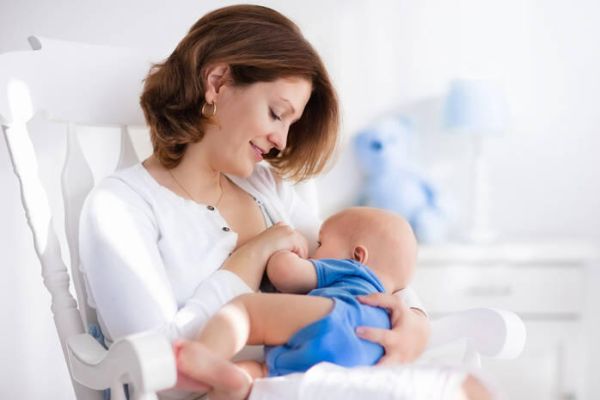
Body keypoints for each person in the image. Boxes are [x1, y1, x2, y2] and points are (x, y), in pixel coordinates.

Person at [78, 4, 436, 399]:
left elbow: (357, 266)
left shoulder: (267, 187)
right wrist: (251, 257)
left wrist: (415, 324)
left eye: (291, 124)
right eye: (276, 114)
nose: (281, 141)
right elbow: (160, 370)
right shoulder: (120, 207)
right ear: (217, 83)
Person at [174, 207, 418, 399]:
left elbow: (284, 272)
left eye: (320, 243)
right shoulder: (390, 310)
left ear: (357, 256)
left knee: (246, 311)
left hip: (342, 316)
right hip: (368, 357)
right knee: (266, 374)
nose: (313, 251)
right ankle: (239, 382)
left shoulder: (352, 269)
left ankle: (205, 357)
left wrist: (285, 252)